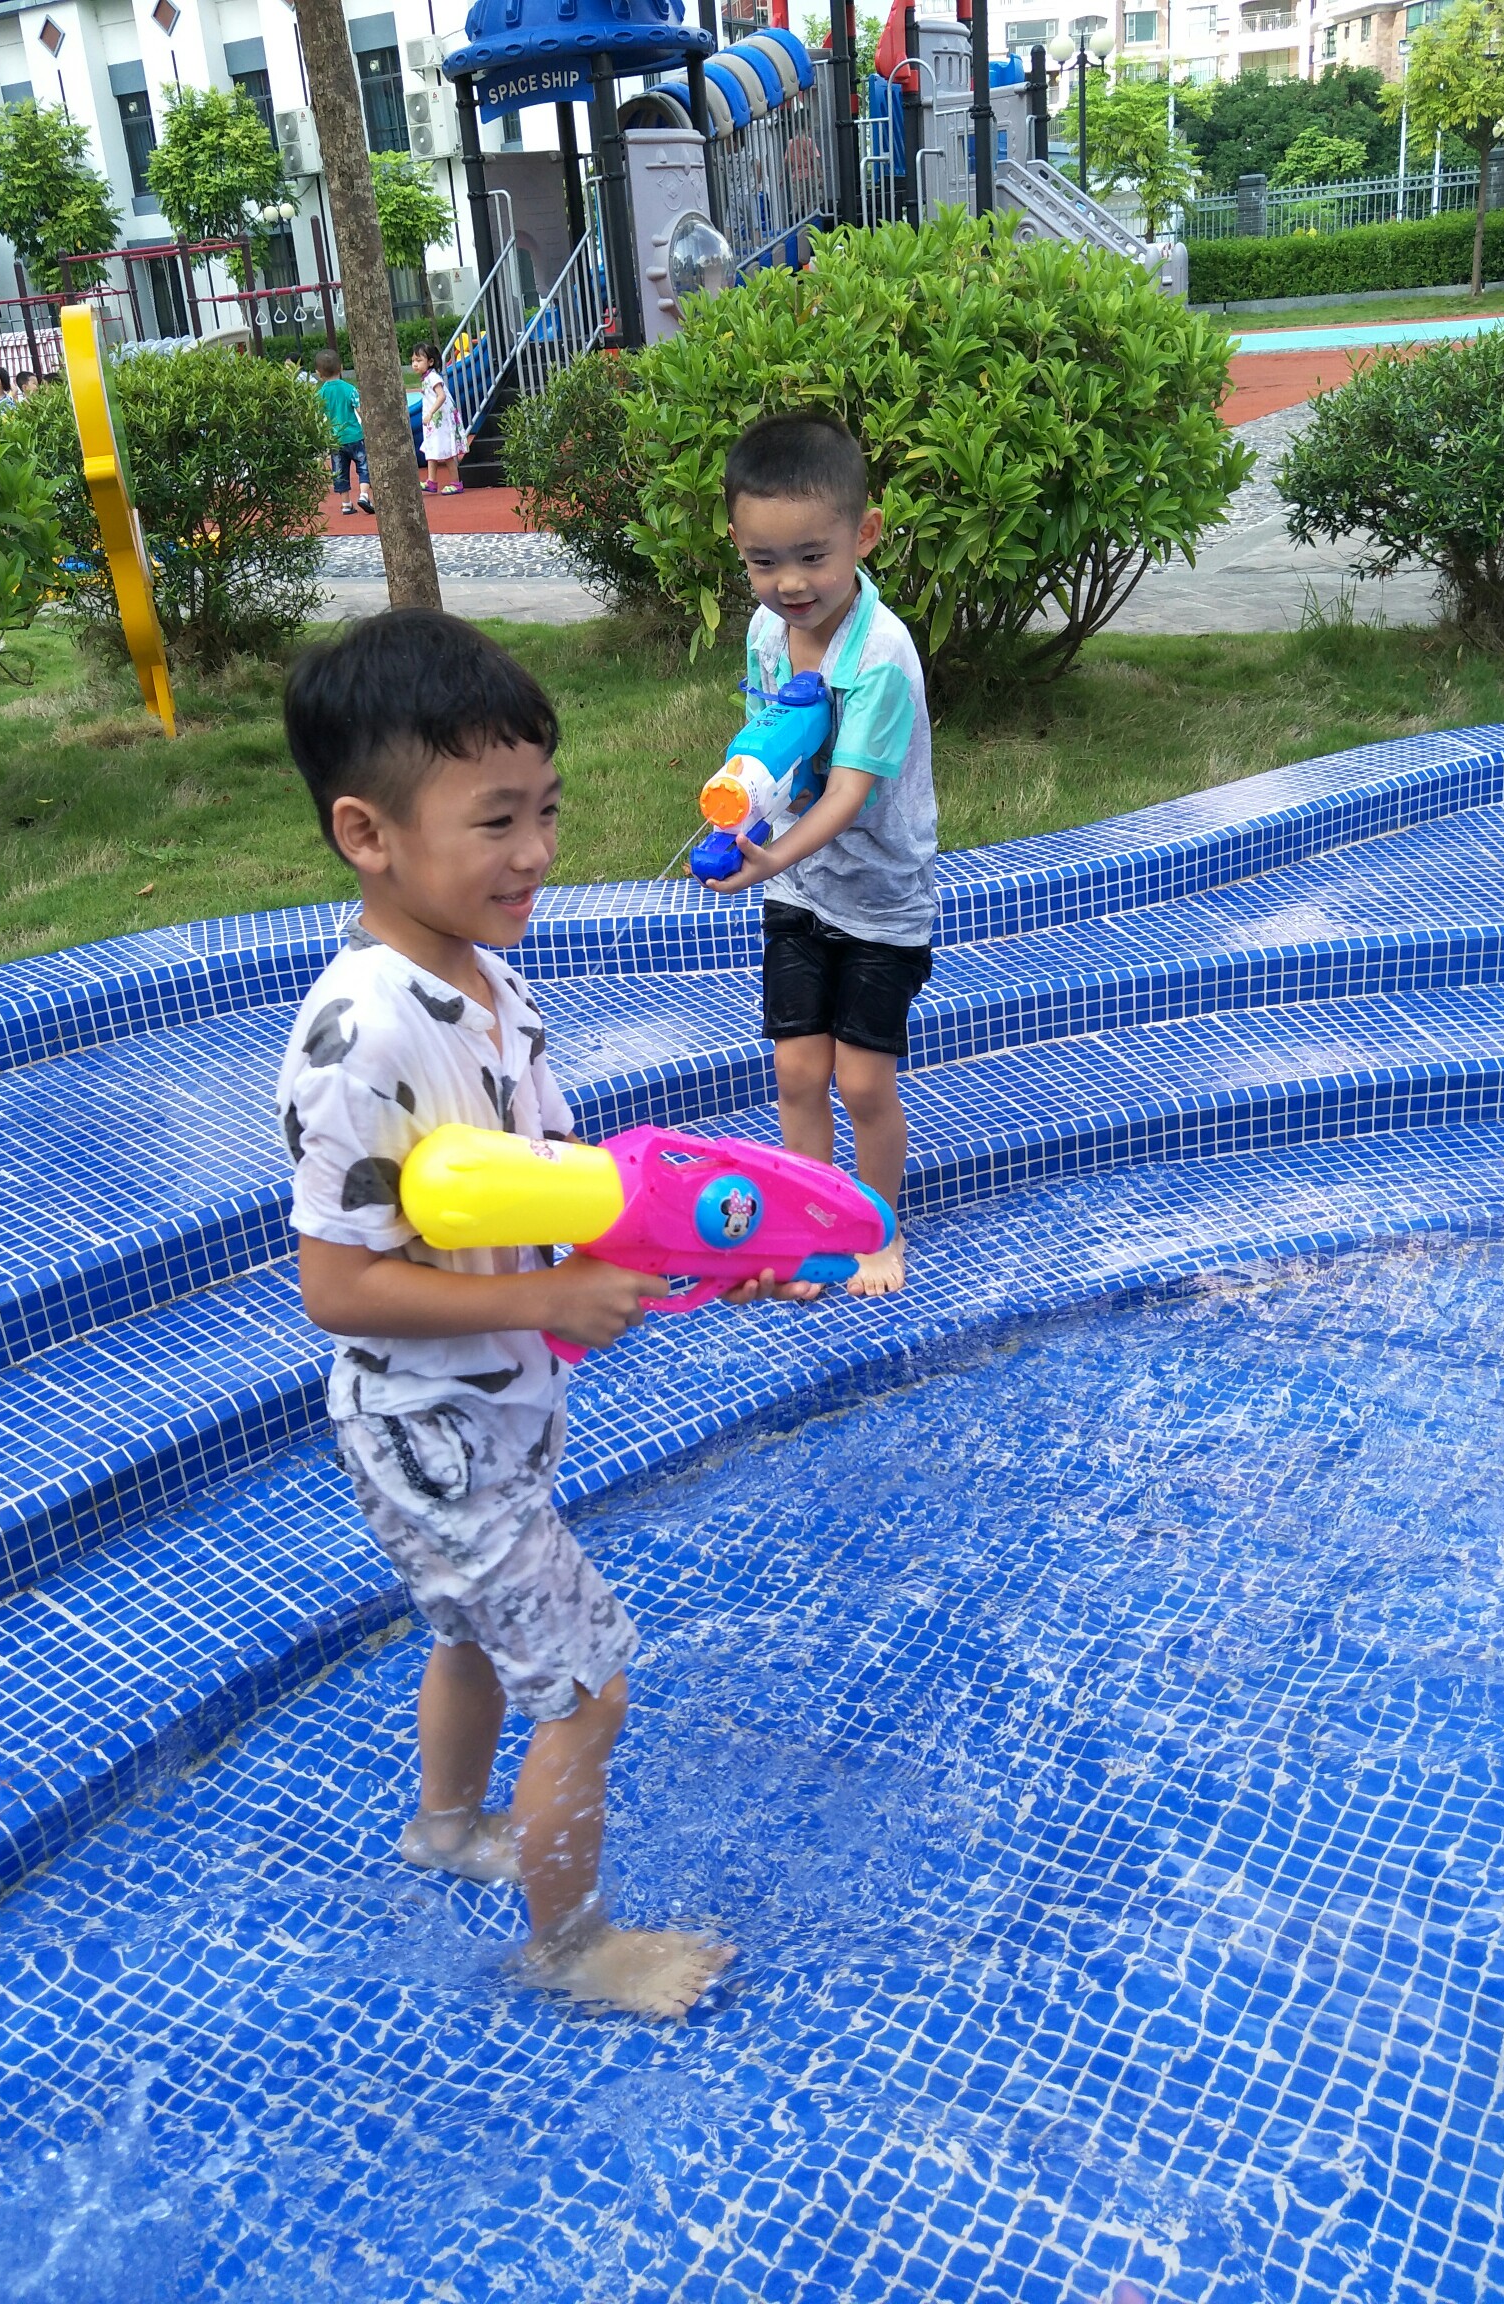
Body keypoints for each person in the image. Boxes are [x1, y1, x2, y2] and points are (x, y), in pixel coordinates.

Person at [278, 610, 811, 2016]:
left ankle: (448, 1825)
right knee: (586, 1686)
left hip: (497, 1404)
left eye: (549, 811)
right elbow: (336, 1286)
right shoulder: (361, 1037)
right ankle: (571, 1949)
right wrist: (555, 1294)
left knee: (469, 1628)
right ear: (366, 834)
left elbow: (567, 1188)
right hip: (432, 1426)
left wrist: (715, 1256)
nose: (536, 852)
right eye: (496, 820)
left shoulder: (486, 978)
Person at [701, 413, 938, 1299]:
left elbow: (845, 795)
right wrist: (742, 810)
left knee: (864, 1082)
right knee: (798, 1070)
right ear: (738, 545)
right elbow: (773, 748)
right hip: (802, 886)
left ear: (864, 535)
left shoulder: (879, 657)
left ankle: (877, 1232)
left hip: (879, 898)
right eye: (764, 562)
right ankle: (809, 1231)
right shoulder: (768, 633)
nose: (790, 583)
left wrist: (764, 861)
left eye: (812, 557)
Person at [314, 347, 374, 517]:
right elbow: (360, 408)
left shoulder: (321, 394)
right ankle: (364, 494)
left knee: (339, 471)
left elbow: (316, 415)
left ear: (318, 373)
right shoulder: (349, 389)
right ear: (341, 368)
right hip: (355, 435)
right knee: (364, 466)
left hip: (335, 439)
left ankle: (346, 504)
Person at [411, 342, 466, 495]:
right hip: (434, 422)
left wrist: (430, 413)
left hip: (440, 421)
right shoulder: (426, 378)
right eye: (413, 361)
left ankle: (456, 483)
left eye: (419, 360)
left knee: (446, 451)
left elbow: (441, 396)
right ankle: (431, 481)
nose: (415, 364)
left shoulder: (433, 377)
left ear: (430, 362)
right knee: (431, 448)